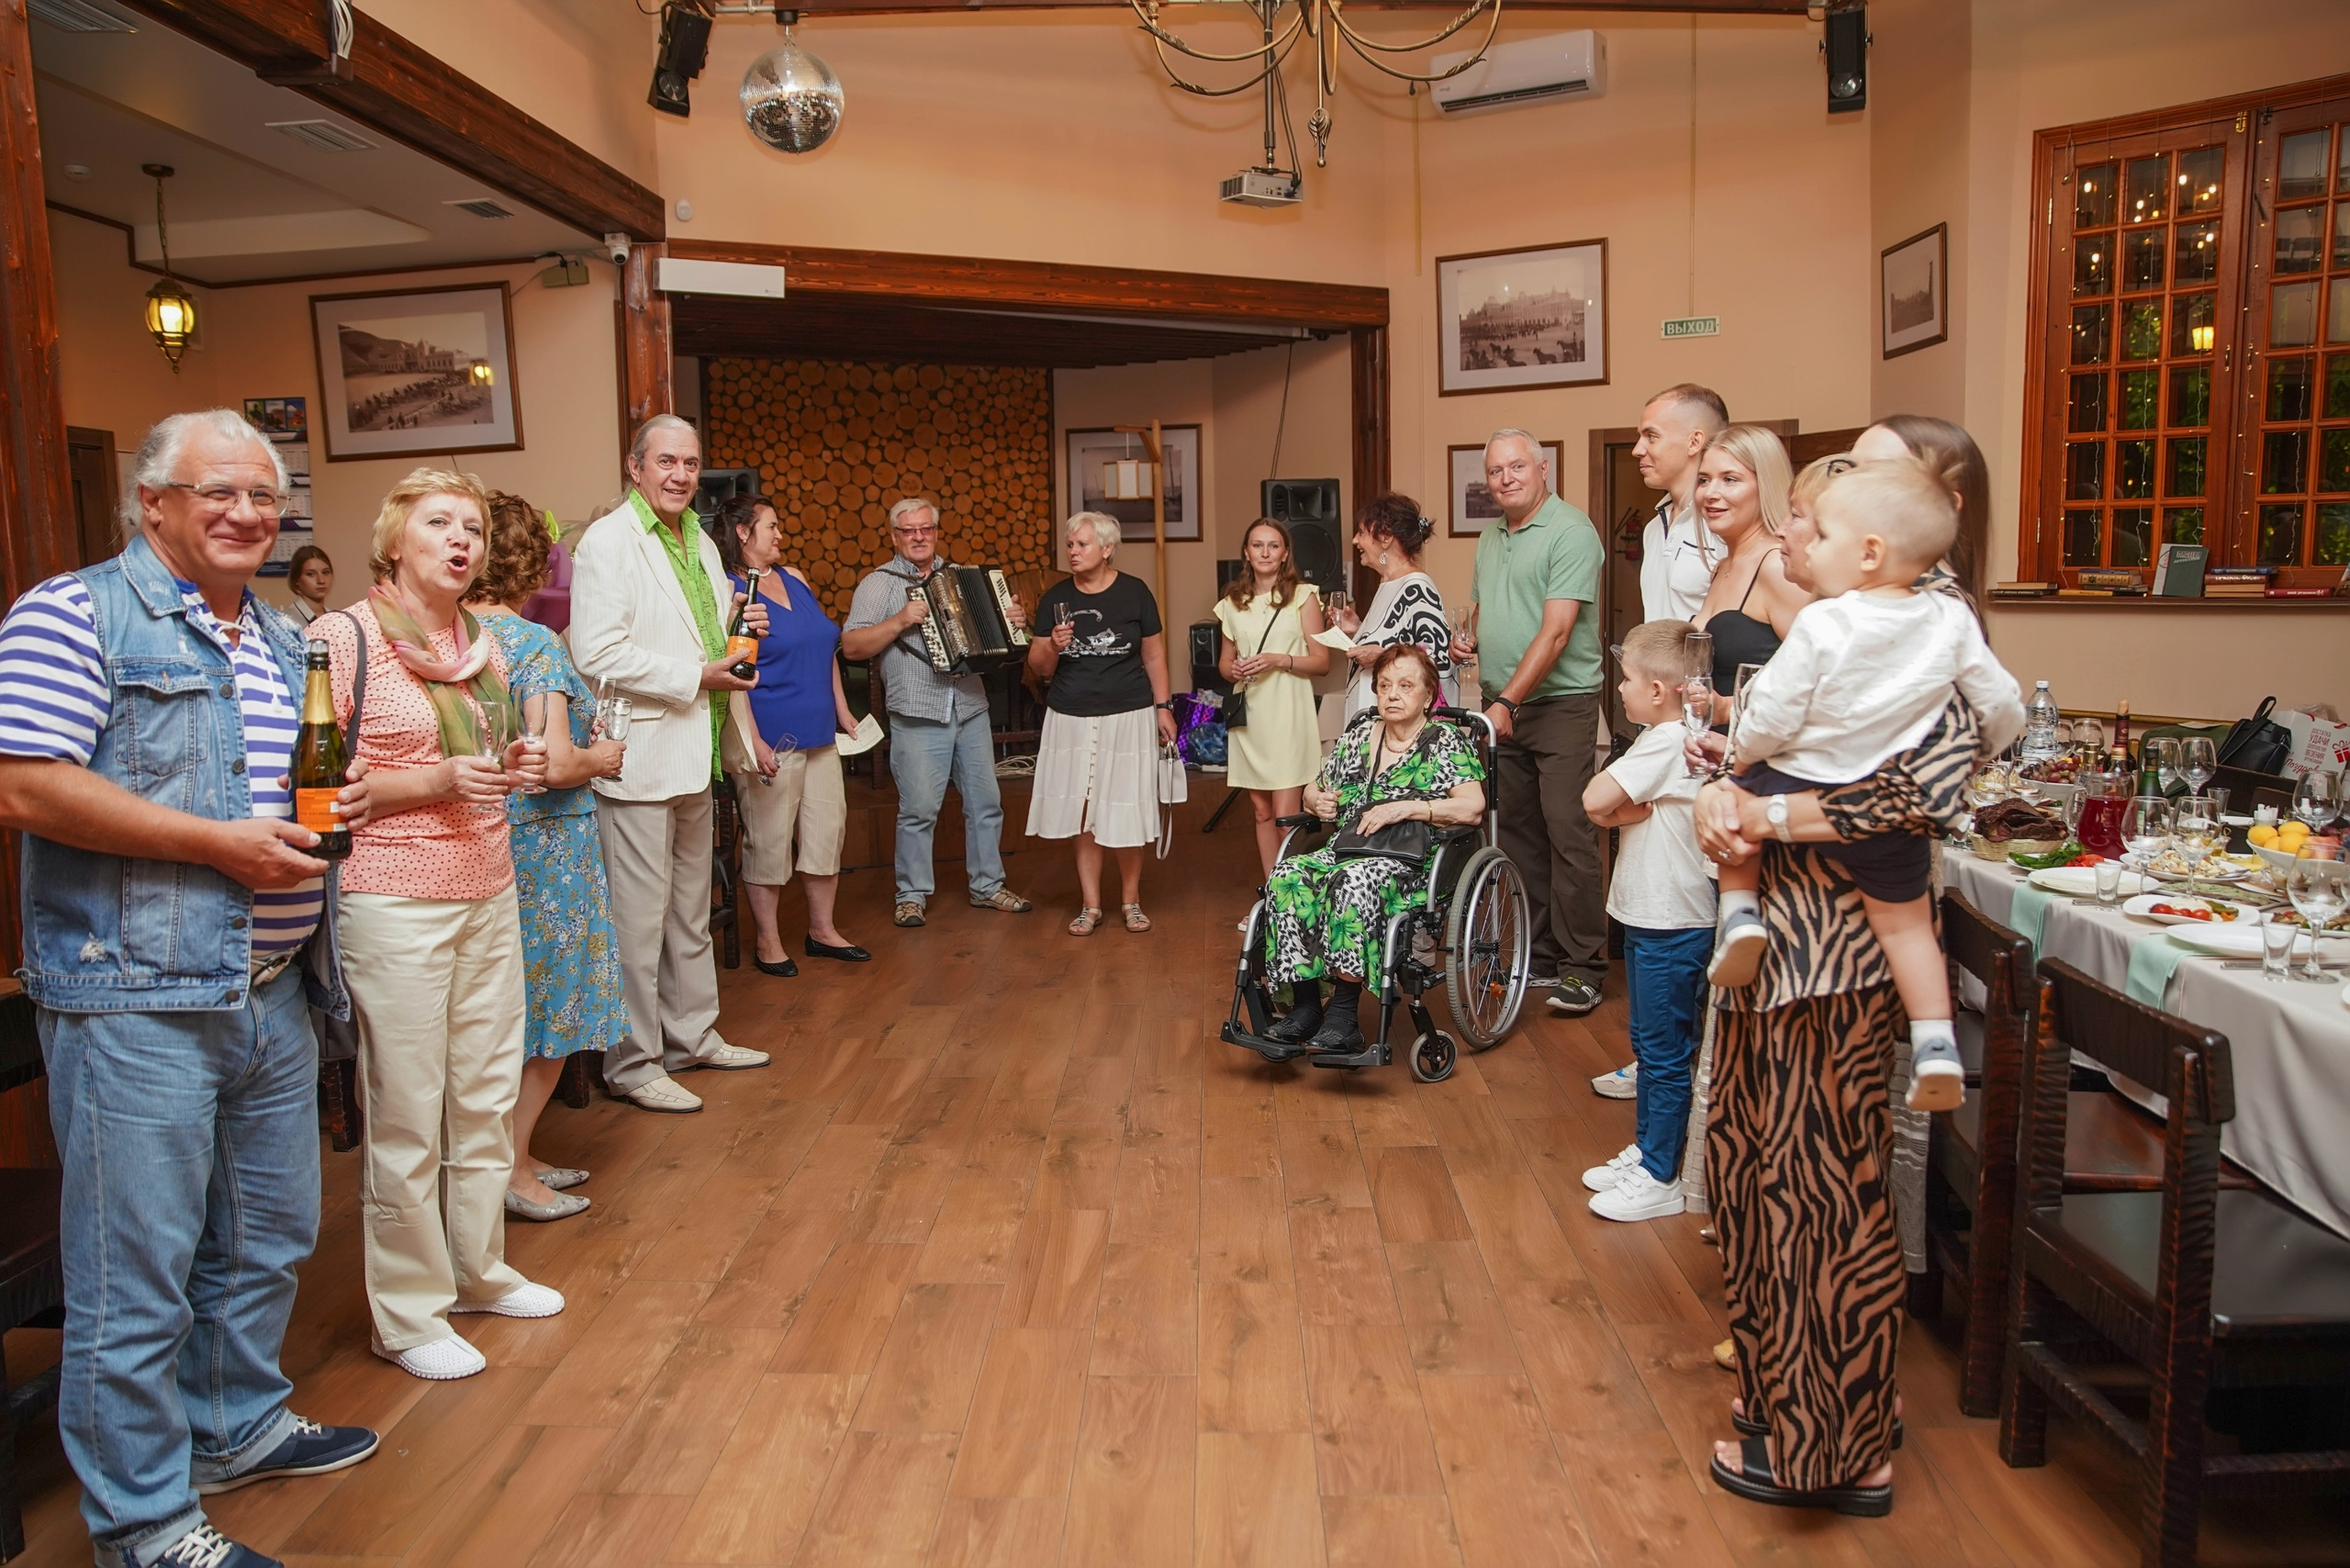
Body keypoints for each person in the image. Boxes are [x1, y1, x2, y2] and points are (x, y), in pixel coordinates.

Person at [0, 409, 378, 1568]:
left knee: (267, 1235)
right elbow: (24, 784)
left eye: (264, 497)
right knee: (136, 1278)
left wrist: (345, 798)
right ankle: (144, 1525)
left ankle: (232, 1424)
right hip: (137, 1000)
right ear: (151, 502)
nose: (246, 515)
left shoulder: (276, 632)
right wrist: (218, 844)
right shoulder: (73, 614)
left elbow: (283, 778)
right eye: (218, 492)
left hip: (271, 987)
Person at [1693, 682, 1986, 1517]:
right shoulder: (1825, 643)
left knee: (1820, 1202)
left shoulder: (1920, 635)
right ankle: (1790, 1397)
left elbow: (1916, 789)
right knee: (1751, 1187)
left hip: (1830, 966)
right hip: (1774, 958)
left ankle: (1833, 1448)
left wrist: (1760, 812)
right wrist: (1721, 791)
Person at [312, 468, 561, 1382]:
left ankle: (478, 1271)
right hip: (393, 899)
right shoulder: (342, 639)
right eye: (438, 524)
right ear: (393, 542)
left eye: (473, 528)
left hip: (488, 886)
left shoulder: (480, 647)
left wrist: (513, 762)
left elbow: (482, 759)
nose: (461, 540)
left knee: (485, 1097)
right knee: (409, 1112)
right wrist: (436, 780)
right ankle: (408, 1314)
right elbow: (316, 789)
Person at [1704, 461, 2023, 1114]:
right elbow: (2002, 705)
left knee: (1735, 809)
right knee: (1907, 929)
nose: (1806, 543)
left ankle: (1740, 920)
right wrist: (1987, 746)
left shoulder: (1826, 622)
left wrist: (1741, 758)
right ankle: (1936, 1044)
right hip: (1883, 805)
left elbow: (1774, 712)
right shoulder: (1949, 617)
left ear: (1870, 553)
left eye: (1822, 534)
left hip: (1802, 778)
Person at [568, 415, 774, 1115]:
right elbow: (596, 653)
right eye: (666, 462)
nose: (681, 475)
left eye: (689, 463)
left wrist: (741, 624)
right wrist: (697, 675)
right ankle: (633, 1062)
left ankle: (692, 1037)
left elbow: (703, 634)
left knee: (689, 911)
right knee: (637, 921)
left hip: (698, 751)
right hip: (640, 756)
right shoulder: (607, 543)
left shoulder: (702, 543)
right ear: (635, 468)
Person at [468, 490, 630, 1223]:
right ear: (533, 563)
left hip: (485, 843)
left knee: (504, 1012)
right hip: (548, 851)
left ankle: (516, 1155)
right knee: (554, 1009)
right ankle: (509, 1167)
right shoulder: (532, 644)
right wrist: (602, 759)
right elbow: (556, 763)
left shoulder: (454, 639)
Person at [1450, 429, 1607, 1016]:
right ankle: (1538, 955)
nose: (1505, 478)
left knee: (1568, 831)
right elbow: (1486, 610)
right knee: (1518, 836)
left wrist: (1508, 704)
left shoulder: (1571, 531)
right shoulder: (1491, 536)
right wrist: (1470, 640)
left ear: (1543, 470)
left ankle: (1584, 966)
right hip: (1503, 703)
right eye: (1495, 471)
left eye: (1517, 467)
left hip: (1559, 704)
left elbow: (1558, 631)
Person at [1260, 644, 1486, 1052]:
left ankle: (1344, 1015)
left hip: (1411, 861)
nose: (1392, 694)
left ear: (1428, 695)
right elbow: (1315, 787)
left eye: (1405, 686)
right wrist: (1315, 800)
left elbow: (1472, 807)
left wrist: (1409, 808)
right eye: (1384, 686)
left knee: (1352, 881)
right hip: (1348, 848)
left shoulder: (1446, 741)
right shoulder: (1359, 736)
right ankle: (1307, 1006)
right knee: (1287, 875)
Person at [1578, 622, 1716, 1223]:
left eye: (1627, 679)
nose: (1621, 688)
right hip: (1650, 914)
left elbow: (1594, 801)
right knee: (1649, 1043)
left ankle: (1662, 1174)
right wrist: (1630, 808)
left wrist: (1623, 807)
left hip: (1672, 918)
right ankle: (1648, 1151)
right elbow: (1610, 811)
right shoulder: (1663, 737)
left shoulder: (1666, 739)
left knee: (1663, 1051)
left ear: (1658, 690)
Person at [844, 497, 1033, 928]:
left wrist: (1014, 621)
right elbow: (852, 646)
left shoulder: (964, 578)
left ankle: (988, 886)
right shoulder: (879, 584)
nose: (918, 537)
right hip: (917, 710)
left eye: (925, 529)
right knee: (918, 810)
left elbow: (1004, 641)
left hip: (969, 707)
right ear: (894, 536)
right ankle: (911, 896)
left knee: (986, 803)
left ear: (935, 532)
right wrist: (900, 620)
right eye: (908, 530)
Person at [712, 491, 866, 975]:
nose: (780, 534)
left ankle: (823, 931)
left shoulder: (795, 578)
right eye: (771, 526)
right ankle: (768, 941)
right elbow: (734, 672)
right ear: (743, 532)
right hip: (772, 735)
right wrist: (753, 741)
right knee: (770, 839)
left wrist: (843, 711)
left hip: (820, 732)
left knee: (826, 833)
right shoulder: (730, 590)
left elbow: (824, 650)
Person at [1025, 511, 1178, 935]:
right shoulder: (1056, 598)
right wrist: (1053, 646)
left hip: (1128, 714)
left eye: (1082, 544)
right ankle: (1090, 906)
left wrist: (1163, 707)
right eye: (1070, 545)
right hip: (1070, 716)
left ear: (1107, 549)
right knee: (1084, 811)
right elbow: (1039, 666)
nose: (1073, 552)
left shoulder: (1135, 592)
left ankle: (1131, 902)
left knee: (1127, 807)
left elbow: (1154, 655)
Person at [1214, 517, 1332, 877]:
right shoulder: (1231, 603)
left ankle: (1292, 894)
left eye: (1273, 545)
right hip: (1250, 717)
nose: (1265, 552)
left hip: (1288, 714)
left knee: (1285, 816)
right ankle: (1271, 893)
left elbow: (1322, 662)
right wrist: (1233, 670)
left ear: (1285, 554)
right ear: (1246, 553)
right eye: (1257, 545)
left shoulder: (1304, 596)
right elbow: (1224, 663)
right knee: (1261, 813)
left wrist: (1280, 660)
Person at [1691, 425, 1808, 718]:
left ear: (1765, 485)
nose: (1711, 493)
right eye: (1704, 480)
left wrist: (1727, 710)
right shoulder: (1722, 567)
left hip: (1761, 741)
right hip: (1720, 741)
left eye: (1730, 479)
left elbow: (1816, 684)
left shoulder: (1777, 566)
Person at [1332, 491, 1454, 721]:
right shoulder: (1388, 583)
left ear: (1386, 537)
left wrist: (1381, 657)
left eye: (1361, 532)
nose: (1355, 541)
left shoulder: (1416, 586)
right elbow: (1397, 639)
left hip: (1401, 729)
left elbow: (1436, 659)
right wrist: (1358, 629)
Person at [1851, 414, 1992, 606]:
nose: (1845, 485)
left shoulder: (1940, 609)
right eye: (1849, 469)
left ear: (1945, 505)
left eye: (1877, 473)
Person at [1631, 384, 1730, 622]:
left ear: (1694, 442)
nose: (1637, 450)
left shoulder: (1724, 524)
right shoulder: (1653, 528)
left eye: (1651, 436)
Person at [286, 542, 334, 625]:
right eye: (311, 574)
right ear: (296, 580)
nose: (321, 581)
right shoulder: (287, 621)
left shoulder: (336, 617)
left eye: (325, 572)